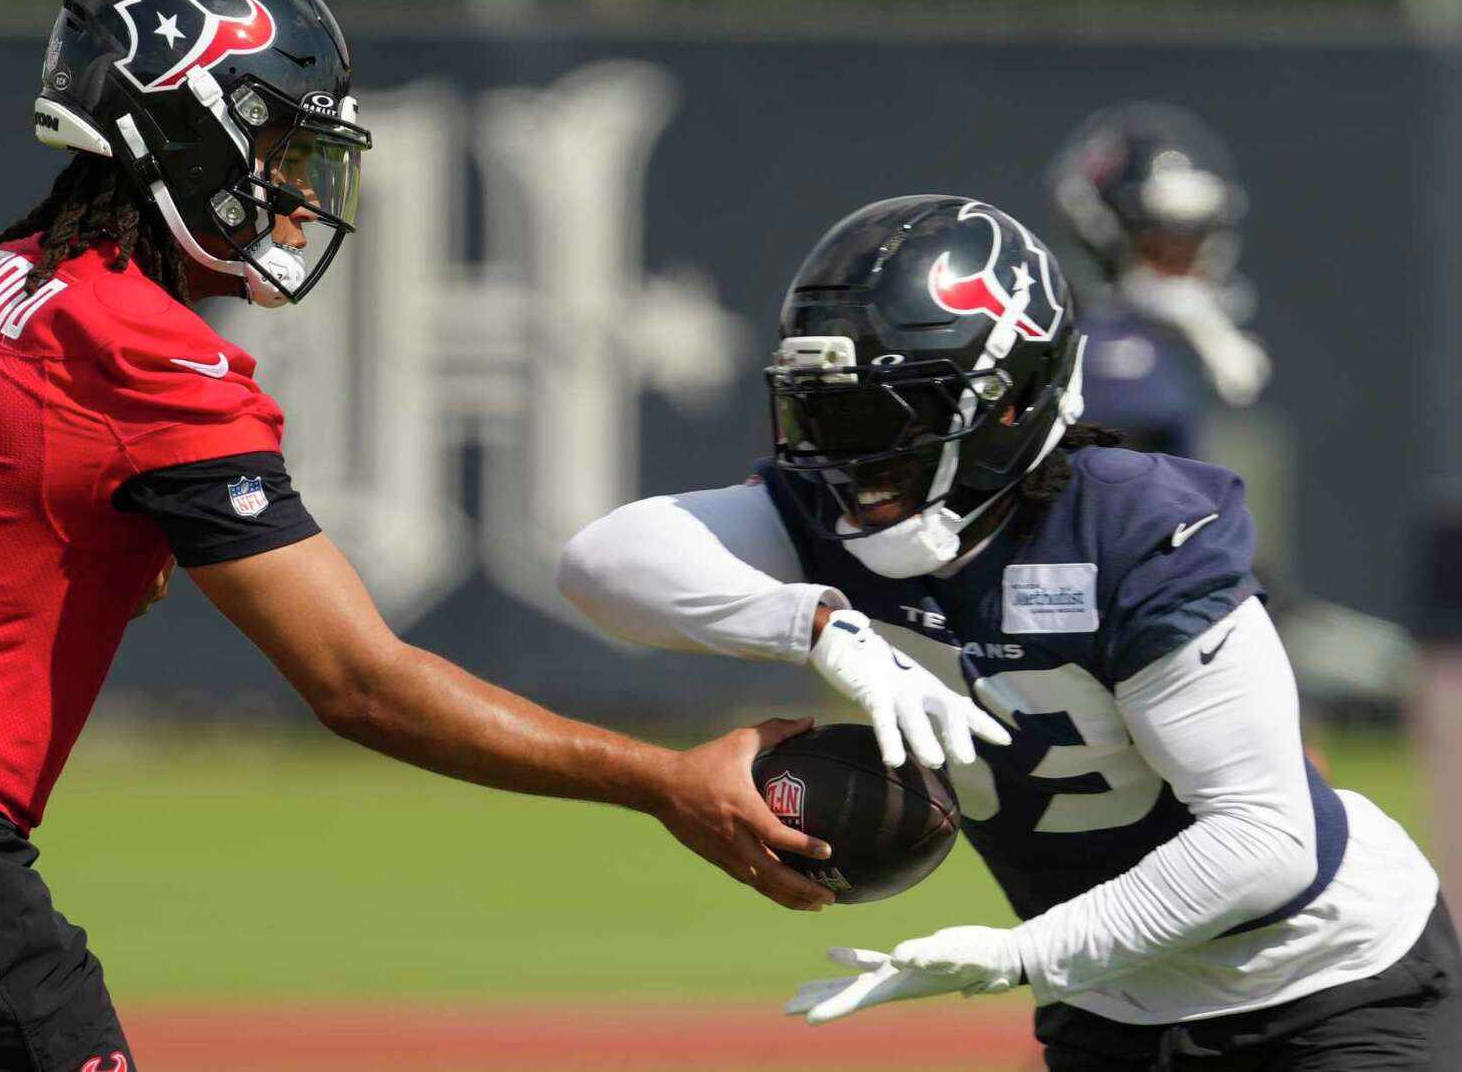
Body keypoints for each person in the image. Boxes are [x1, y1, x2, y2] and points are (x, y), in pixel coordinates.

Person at [0, 0, 974, 1072]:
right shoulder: (148, 354)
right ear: (179, 124)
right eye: (274, 141)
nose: (295, 183)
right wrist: (662, 782)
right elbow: (358, 683)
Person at [557, 195, 1457, 1070]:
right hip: (1110, 1002)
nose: (851, 457)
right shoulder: (831, 513)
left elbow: (1266, 838)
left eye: (890, 415)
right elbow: (602, 561)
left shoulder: (1132, 530)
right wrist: (823, 628)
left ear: (1013, 401)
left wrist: (1026, 952)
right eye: (826, 411)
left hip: (1332, 978)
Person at [1048, 102, 1269, 459]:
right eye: (1159, 244)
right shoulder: (1076, 332)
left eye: (1193, 242)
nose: (1182, 264)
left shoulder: (1203, 335)